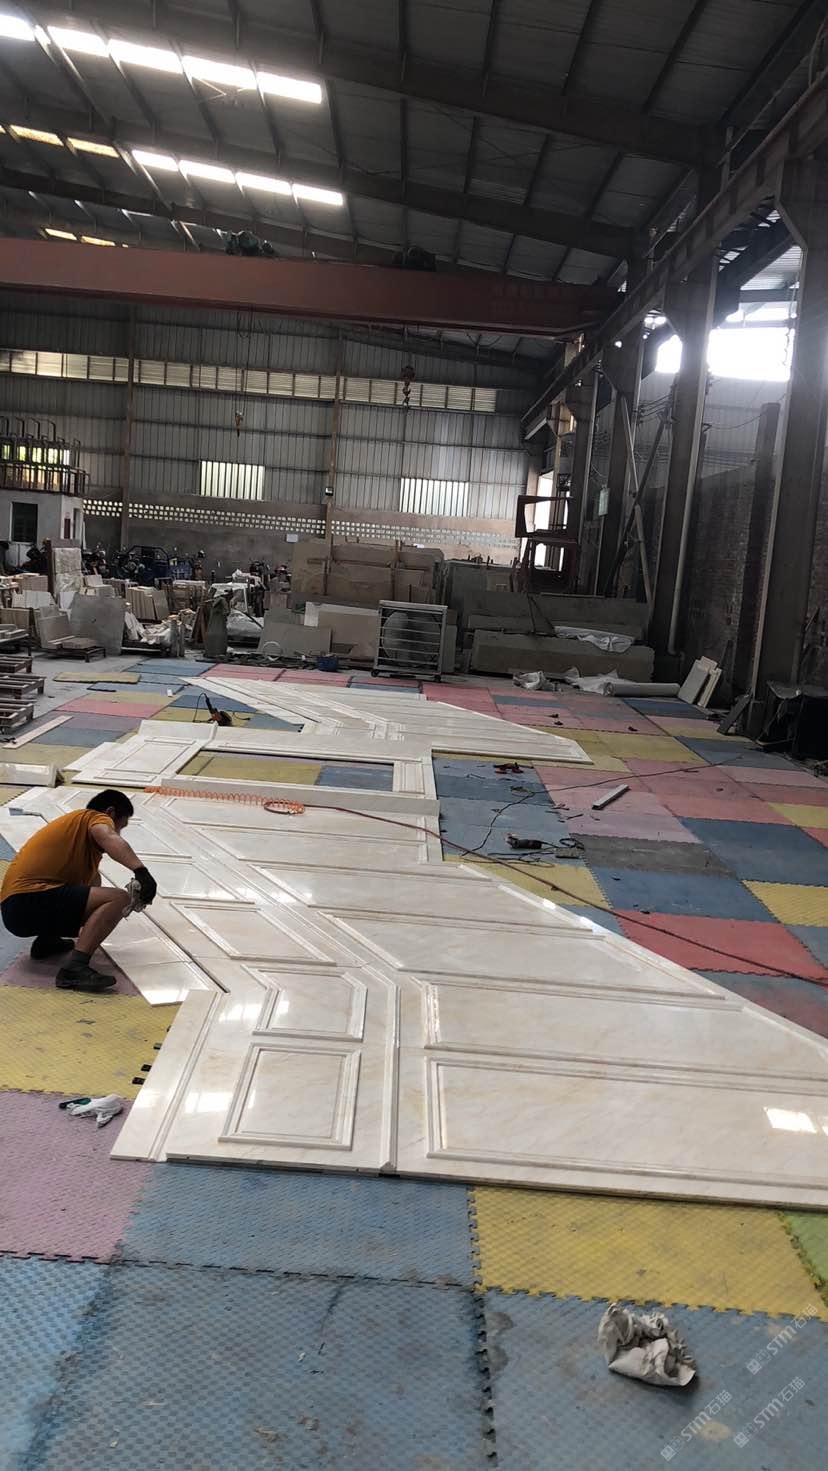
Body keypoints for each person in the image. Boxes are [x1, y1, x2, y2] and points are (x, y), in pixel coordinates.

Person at [0, 790, 157, 993]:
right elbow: (107, 835)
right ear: (110, 813)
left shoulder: (78, 843)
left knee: (94, 889)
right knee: (120, 899)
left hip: (16, 910)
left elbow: (89, 899)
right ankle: (75, 969)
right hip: (27, 901)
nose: (118, 832)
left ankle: (47, 942)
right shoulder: (93, 817)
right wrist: (141, 871)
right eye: (120, 826)